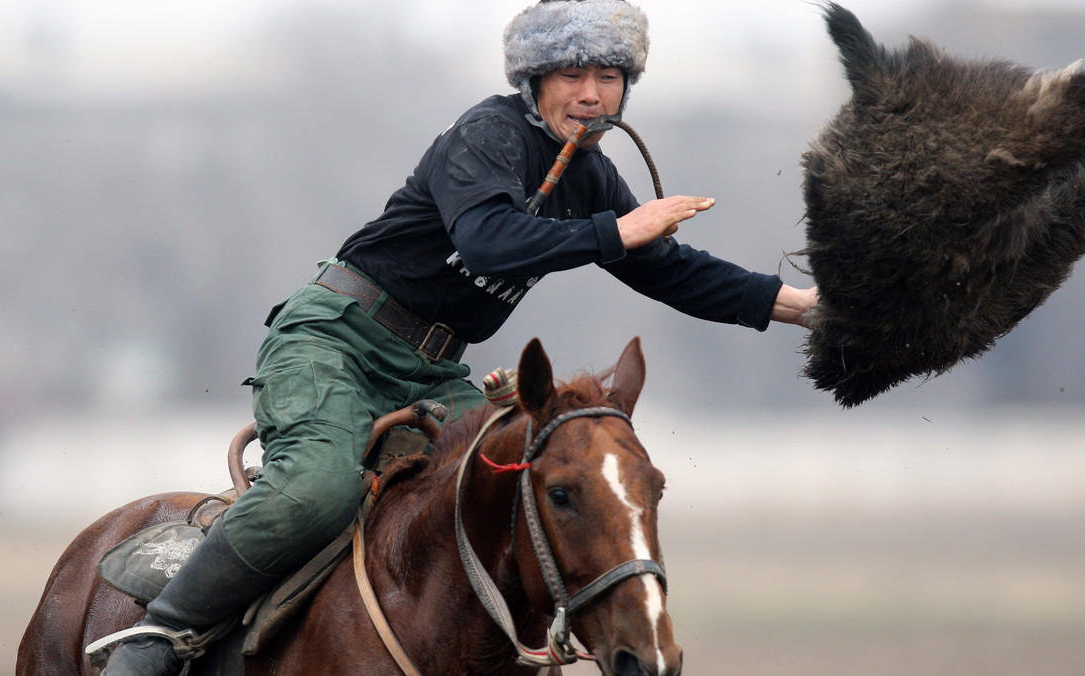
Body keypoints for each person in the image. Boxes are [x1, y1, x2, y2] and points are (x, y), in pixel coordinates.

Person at [101, 0, 817, 673]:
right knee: (318, 491)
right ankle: (157, 637)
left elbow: (675, 273)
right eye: (573, 75)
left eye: (608, 76)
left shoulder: (592, 178)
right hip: (335, 339)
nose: (592, 93)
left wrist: (803, 308)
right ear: (535, 81)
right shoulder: (488, 134)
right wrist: (616, 232)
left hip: (433, 369)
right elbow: (487, 242)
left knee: (499, 487)